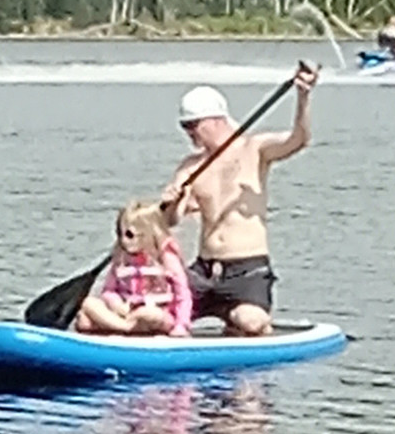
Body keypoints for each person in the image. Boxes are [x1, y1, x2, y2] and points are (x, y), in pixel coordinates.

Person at [159, 62, 318, 337]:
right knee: (158, 313)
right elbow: (170, 221)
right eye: (184, 126)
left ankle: (240, 317)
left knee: (250, 322)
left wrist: (303, 97)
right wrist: (174, 200)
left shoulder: (253, 149)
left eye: (193, 125)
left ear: (216, 120)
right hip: (204, 270)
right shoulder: (190, 166)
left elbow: (298, 140)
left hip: (246, 269)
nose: (189, 132)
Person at [75, 199, 193, 337]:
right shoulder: (121, 258)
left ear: (149, 233)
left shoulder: (165, 258)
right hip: (127, 313)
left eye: (129, 235)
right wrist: (116, 304)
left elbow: (182, 294)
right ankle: (126, 327)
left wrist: (181, 325)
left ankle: (120, 327)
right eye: (120, 233)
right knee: (88, 306)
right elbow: (108, 290)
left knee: (148, 314)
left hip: (157, 313)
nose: (124, 240)